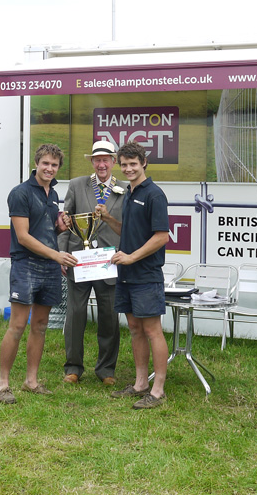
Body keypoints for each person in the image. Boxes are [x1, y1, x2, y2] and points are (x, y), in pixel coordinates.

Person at [0, 144, 78, 404]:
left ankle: (31, 381)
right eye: (46, 163)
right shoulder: (20, 192)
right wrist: (57, 255)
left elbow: (45, 230)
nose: (49, 169)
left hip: (49, 267)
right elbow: (23, 236)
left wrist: (59, 228)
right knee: (18, 326)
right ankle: (2, 384)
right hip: (26, 264)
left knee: (40, 326)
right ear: (36, 163)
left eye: (54, 165)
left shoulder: (54, 194)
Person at [105, 141, 170, 409]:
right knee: (134, 329)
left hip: (146, 274)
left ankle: (158, 390)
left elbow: (161, 236)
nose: (128, 168)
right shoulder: (128, 193)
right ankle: (141, 383)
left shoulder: (154, 194)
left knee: (152, 330)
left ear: (144, 163)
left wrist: (132, 257)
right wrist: (108, 219)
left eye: (133, 164)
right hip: (126, 274)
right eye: (124, 164)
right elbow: (129, 231)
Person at [58, 140, 128, 386]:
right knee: (75, 314)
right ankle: (73, 367)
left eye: (105, 160)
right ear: (92, 162)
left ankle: (106, 369)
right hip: (79, 259)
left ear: (113, 162)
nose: (101, 164)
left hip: (109, 262)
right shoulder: (77, 185)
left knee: (109, 316)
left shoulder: (125, 188)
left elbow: (128, 227)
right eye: (97, 160)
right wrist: (62, 252)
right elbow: (65, 222)